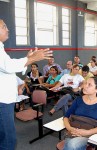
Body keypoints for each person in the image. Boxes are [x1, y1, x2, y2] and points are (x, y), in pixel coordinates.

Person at [0, 19, 52, 150]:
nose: (7, 29)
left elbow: (7, 68)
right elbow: (8, 66)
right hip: (2, 102)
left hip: (5, 101)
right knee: (8, 140)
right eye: (4, 26)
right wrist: (32, 59)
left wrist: (28, 59)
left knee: (4, 137)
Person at [63, 77, 97, 150]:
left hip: (90, 134)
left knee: (71, 144)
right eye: (85, 83)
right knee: (70, 144)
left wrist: (87, 132)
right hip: (74, 130)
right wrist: (70, 128)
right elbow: (66, 117)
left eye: (89, 85)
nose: (85, 86)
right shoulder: (78, 100)